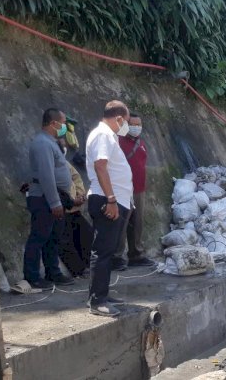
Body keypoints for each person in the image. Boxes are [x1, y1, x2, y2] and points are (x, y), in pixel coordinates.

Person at [86, 100, 133, 317]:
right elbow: (100, 166)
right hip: (107, 200)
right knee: (103, 251)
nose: (127, 126)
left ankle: (101, 294)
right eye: (126, 121)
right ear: (119, 119)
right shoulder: (103, 134)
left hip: (113, 200)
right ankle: (97, 301)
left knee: (108, 250)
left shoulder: (108, 136)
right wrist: (112, 200)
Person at [22, 108, 76, 290]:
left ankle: (53, 272)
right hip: (44, 197)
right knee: (39, 237)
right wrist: (55, 202)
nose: (65, 127)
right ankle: (32, 277)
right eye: (63, 123)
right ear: (53, 123)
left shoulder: (52, 142)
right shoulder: (42, 143)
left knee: (53, 237)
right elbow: (46, 175)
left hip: (55, 196)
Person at [113, 113, 156, 270]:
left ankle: (136, 255)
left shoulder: (140, 142)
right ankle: (116, 257)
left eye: (139, 125)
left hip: (139, 189)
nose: (136, 127)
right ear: (125, 124)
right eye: (133, 124)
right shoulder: (117, 140)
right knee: (121, 224)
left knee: (137, 223)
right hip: (123, 188)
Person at [56, 138, 93, 278]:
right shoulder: (50, 164)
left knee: (86, 233)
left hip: (74, 208)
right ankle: (78, 270)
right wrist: (71, 200)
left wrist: (81, 195)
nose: (65, 148)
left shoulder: (65, 164)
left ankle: (89, 264)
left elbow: (76, 178)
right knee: (65, 241)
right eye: (62, 146)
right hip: (62, 207)